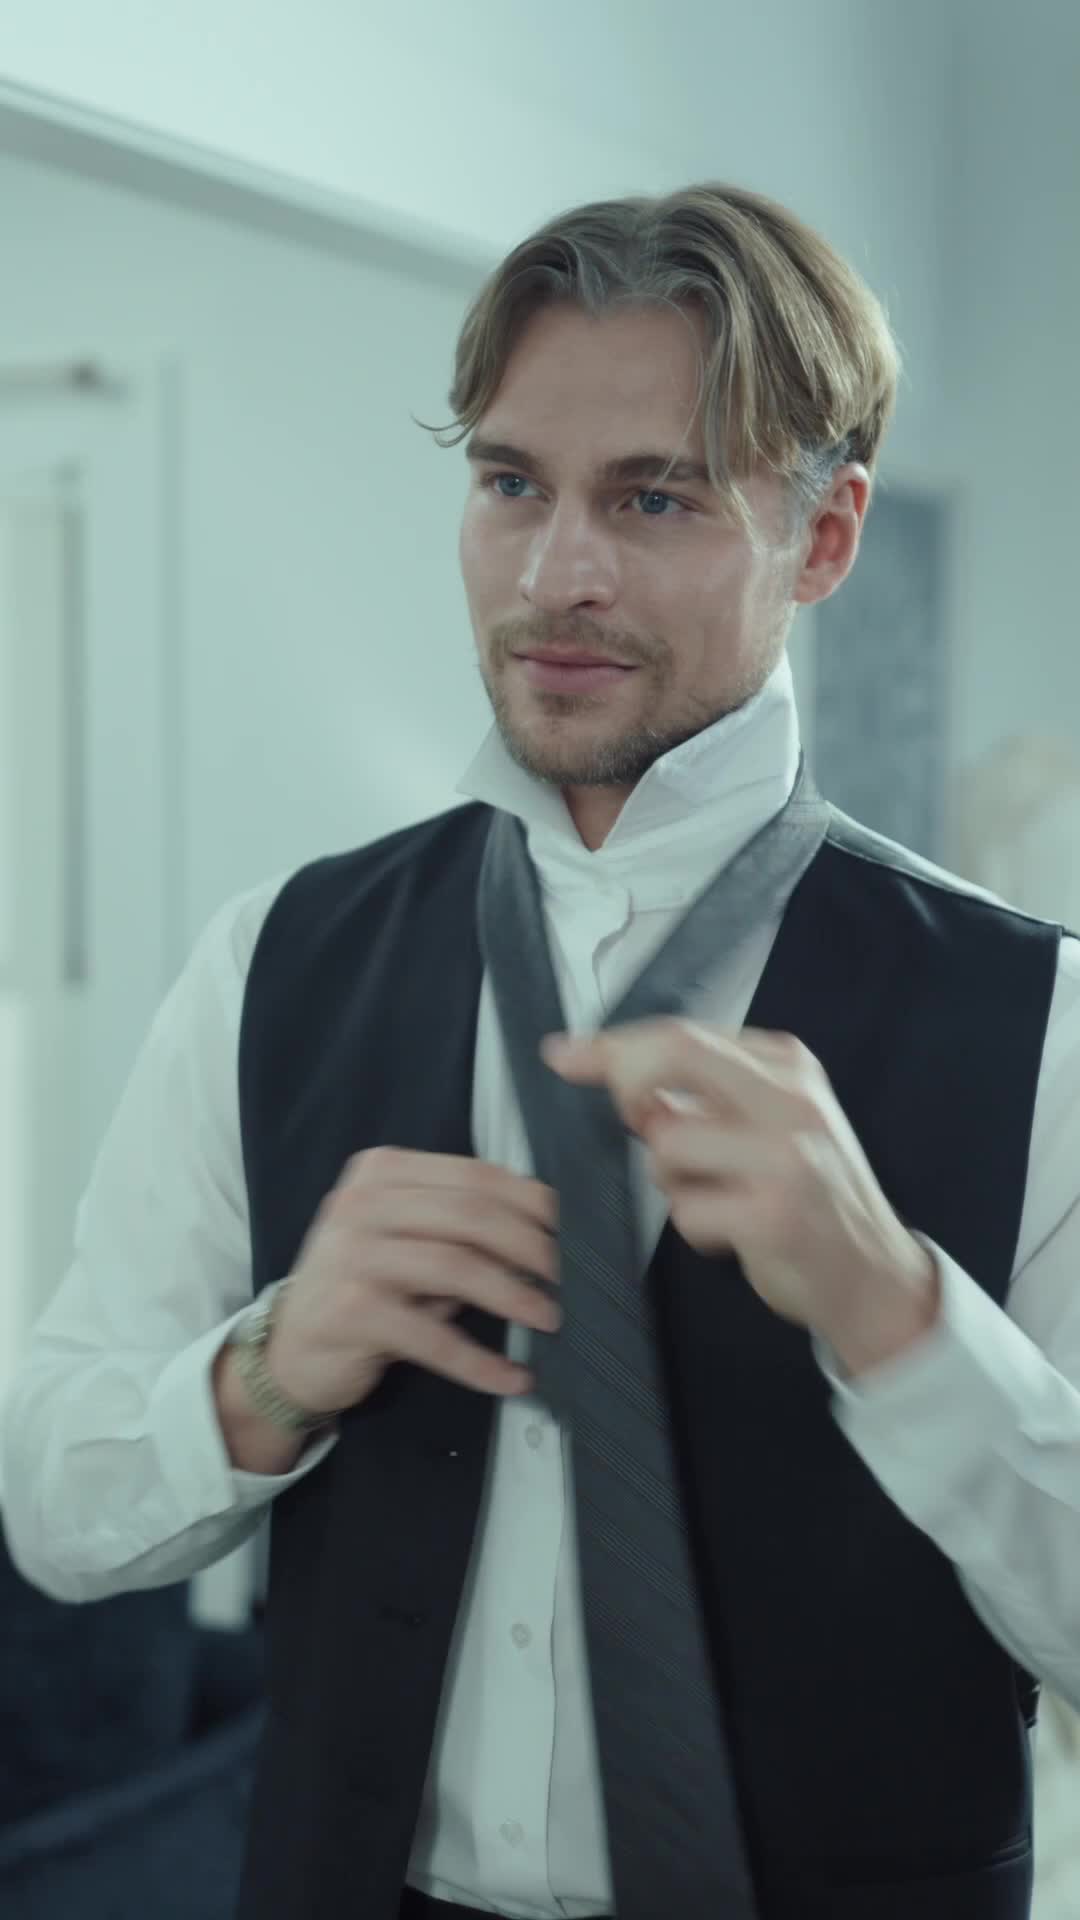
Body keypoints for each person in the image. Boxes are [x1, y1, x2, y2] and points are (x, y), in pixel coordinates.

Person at [2, 181, 1079, 1920]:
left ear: (823, 539)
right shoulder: (272, 961)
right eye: (512, 484)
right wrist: (272, 1367)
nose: (555, 573)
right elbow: (54, 1504)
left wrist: (896, 1311)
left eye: (654, 498)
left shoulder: (1044, 1024)